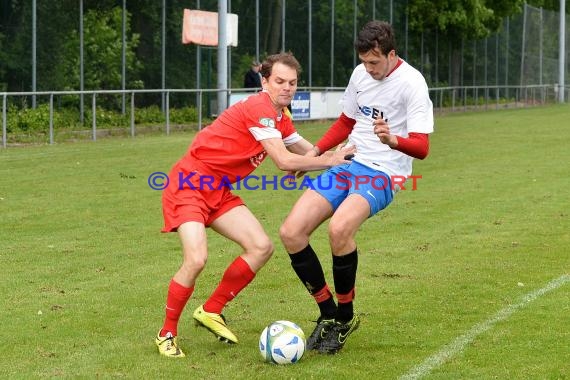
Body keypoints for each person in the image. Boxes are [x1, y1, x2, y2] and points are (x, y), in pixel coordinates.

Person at [155, 52, 355, 358]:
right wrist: (327, 160)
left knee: (261, 247)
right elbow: (284, 161)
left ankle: (211, 310)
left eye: (292, 82)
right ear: (264, 81)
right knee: (196, 259)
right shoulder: (260, 107)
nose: (287, 88)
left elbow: (306, 150)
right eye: (279, 81)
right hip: (189, 185)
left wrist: (342, 156)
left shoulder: (280, 116)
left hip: (218, 190)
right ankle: (166, 333)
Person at [279, 21, 434, 355]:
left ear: (392, 54)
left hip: (383, 171)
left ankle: (345, 318)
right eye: (364, 62)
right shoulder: (360, 74)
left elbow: (422, 148)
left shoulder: (412, 84)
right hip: (348, 162)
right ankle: (327, 313)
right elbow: (346, 123)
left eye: (375, 62)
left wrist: (393, 139)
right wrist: (315, 153)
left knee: (340, 229)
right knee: (291, 232)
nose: (369, 68)